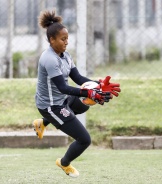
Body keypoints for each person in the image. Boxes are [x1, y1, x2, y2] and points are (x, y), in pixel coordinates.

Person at [32, 9, 121, 178]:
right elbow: (63, 88)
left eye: (67, 39)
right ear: (52, 40)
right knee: (84, 140)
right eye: (63, 39)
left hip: (61, 100)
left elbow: (78, 78)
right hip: (51, 107)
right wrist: (90, 92)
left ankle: (41, 124)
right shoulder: (49, 59)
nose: (66, 42)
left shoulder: (65, 56)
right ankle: (64, 163)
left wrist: (99, 85)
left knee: (84, 105)